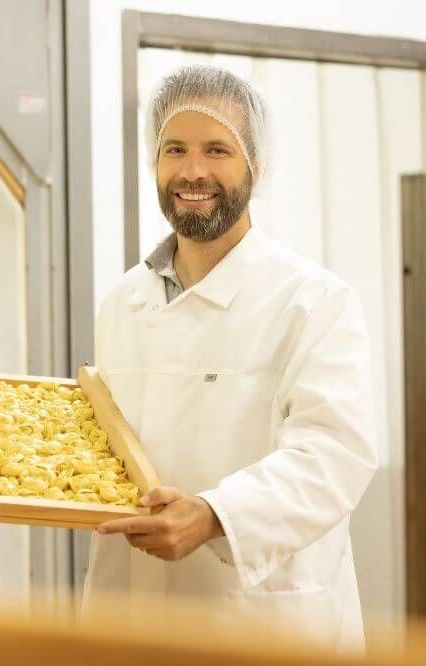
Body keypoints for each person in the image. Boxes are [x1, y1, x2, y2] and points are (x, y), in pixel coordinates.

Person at [88, 65, 377, 651]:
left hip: (262, 625)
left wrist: (215, 515)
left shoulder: (313, 301)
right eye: (175, 149)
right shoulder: (123, 302)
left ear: (257, 166)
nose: (193, 172)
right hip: (132, 616)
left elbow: (334, 457)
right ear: (154, 162)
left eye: (217, 149)